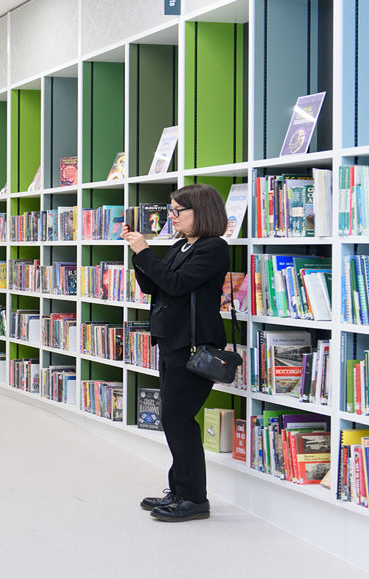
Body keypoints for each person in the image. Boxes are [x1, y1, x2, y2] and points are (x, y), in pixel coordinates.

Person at [121, 183, 230, 522]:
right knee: (174, 419)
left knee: (177, 419)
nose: (172, 217)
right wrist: (138, 254)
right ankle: (181, 491)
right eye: (171, 210)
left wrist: (145, 252)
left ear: (202, 212)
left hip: (195, 345)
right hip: (171, 342)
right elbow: (154, 285)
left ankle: (195, 499)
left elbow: (178, 285)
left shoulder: (214, 248)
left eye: (177, 211)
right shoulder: (182, 245)